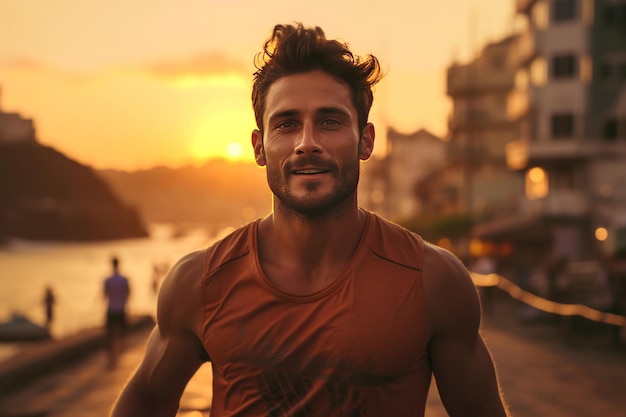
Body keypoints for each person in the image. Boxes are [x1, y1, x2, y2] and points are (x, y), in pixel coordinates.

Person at [111, 23, 511, 416]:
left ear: (365, 140)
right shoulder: (198, 282)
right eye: (286, 124)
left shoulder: (432, 280)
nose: (307, 144)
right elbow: (147, 400)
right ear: (259, 147)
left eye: (330, 121)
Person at [104, 256, 130, 368]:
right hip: (121, 309)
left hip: (111, 309)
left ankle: (111, 357)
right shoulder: (124, 279)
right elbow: (128, 293)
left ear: (111, 264)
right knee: (121, 333)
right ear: (118, 264)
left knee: (110, 334)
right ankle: (119, 353)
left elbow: (105, 295)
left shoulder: (107, 280)